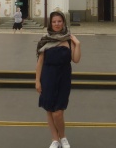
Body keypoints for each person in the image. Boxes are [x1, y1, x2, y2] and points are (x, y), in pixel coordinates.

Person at [35, 11, 81, 148]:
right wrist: (37, 80)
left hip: (63, 77)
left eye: (59, 21)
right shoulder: (45, 39)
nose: (57, 24)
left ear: (63, 22)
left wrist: (77, 44)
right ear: (50, 23)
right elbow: (40, 62)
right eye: (54, 21)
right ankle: (55, 139)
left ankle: (63, 137)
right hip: (48, 76)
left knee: (58, 112)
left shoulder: (68, 39)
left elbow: (76, 59)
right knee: (49, 109)